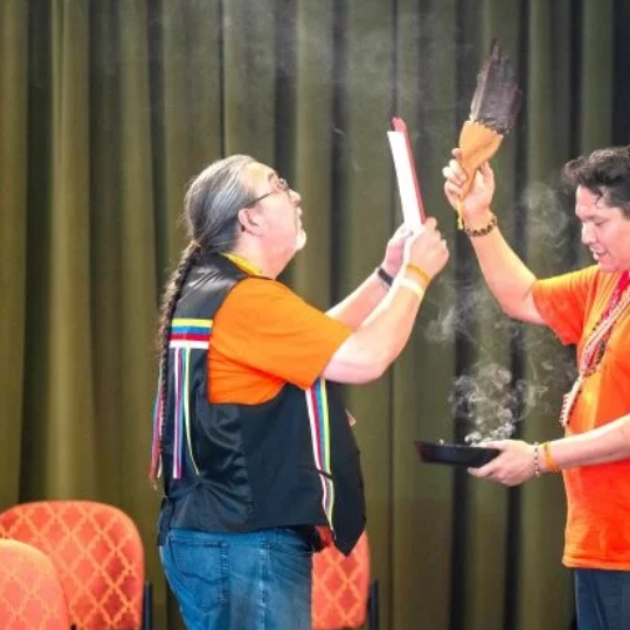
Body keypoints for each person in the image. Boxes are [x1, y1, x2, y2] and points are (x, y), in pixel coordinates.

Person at [442, 145, 630, 630]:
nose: (586, 237)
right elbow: (522, 296)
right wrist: (477, 216)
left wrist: (540, 457)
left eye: (598, 222)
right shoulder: (615, 278)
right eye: (581, 221)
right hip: (604, 543)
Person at [151, 154, 448, 630]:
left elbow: (318, 342)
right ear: (249, 217)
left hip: (218, 535)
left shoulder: (218, 287)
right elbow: (365, 357)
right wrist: (416, 277)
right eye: (278, 185)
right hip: (244, 541)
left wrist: (387, 276)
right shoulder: (247, 298)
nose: (295, 195)